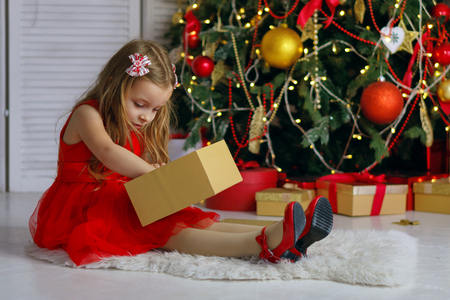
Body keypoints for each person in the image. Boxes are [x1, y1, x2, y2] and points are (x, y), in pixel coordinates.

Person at [29, 39, 334, 266]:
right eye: (140, 104)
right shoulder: (87, 114)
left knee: (192, 217)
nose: (147, 116)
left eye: (156, 109)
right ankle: (264, 243)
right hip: (85, 205)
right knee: (168, 230)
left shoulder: (133, 121)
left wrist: (158, 171)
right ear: (114, 84)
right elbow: (108, 152)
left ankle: (285, 231)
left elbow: (129, 165)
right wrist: (151, 173)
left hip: (120, 194)